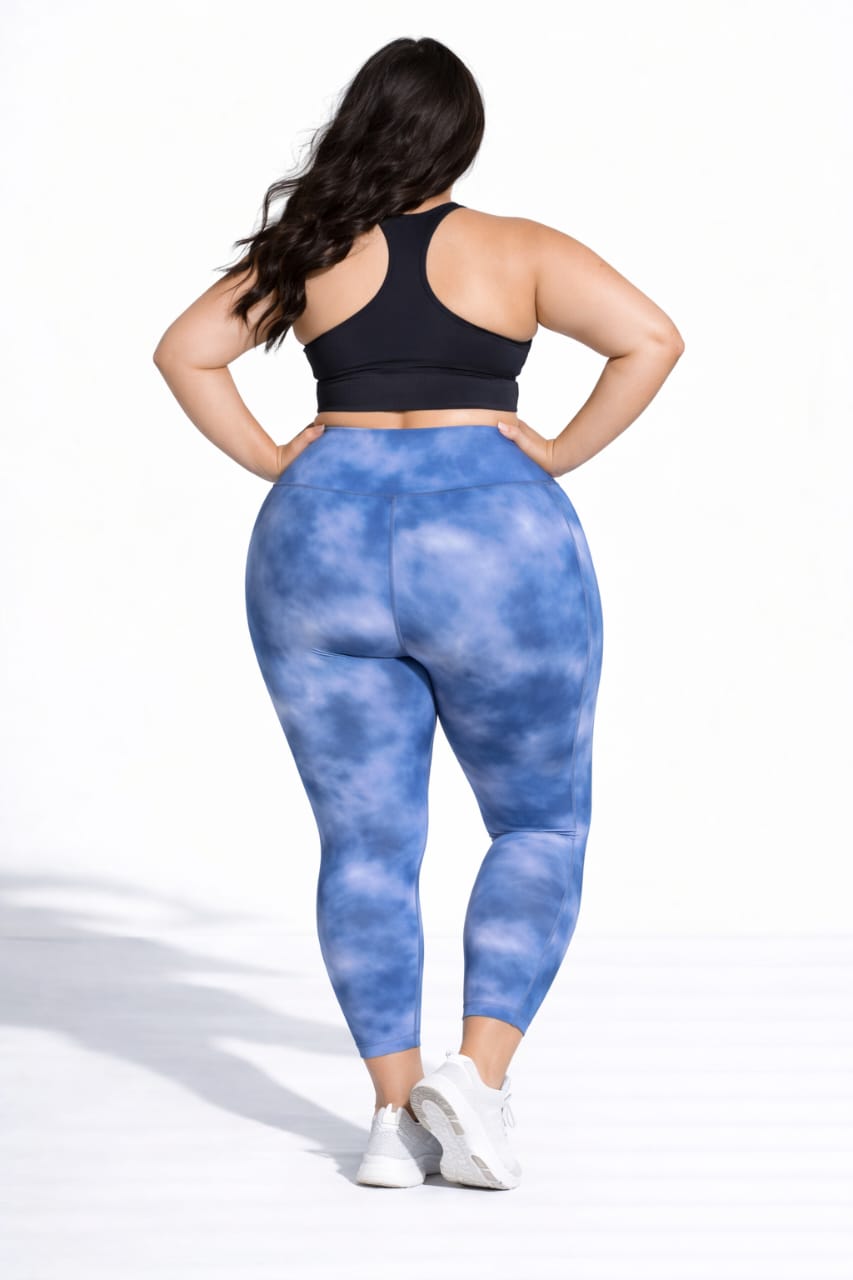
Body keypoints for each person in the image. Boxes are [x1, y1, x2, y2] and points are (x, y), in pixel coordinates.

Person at [153, 35, 684, 1192]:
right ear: (460, 137)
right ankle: (474, 1081)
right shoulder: (518, 247)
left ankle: (393, 1116)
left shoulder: (308, 249)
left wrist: (277, 458)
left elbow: (185, 351)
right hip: (494, 543)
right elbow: (653, 337)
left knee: (366, 843)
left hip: (320, 542)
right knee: (536, 823)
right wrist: (555, 450)